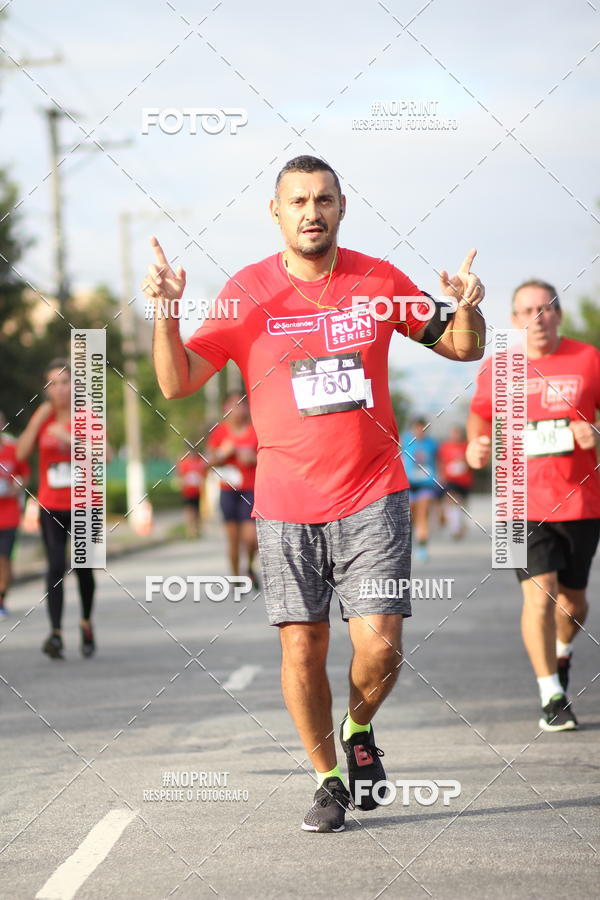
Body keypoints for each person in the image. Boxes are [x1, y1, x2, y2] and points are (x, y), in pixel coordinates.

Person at [144, 154, 486, 832]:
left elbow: (461, 348)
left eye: (323, 199)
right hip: (286, 501)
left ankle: (359, 728)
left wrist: (469, 309)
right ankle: (329, 777)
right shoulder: (246, 293)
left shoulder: (378, 281)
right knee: (302, 647)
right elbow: (177, 383)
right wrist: (165, 315)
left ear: (341, 207)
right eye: (297, 201)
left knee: (381, 643)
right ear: (276, 212)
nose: (311, 211)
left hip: (373, 490)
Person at [466, 279, 600, 732]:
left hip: (581, 499)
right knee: (539, 592)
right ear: (514, 320)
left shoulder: (588, 359)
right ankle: (551, 695)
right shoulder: (499, 366)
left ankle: (562, 652)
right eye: (526, 311)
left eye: (545, 309)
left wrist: (595, 435)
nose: (537, 318)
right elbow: (480, 415)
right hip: (516, 499)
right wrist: (476, 446)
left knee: (574, 602)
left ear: (558, 315)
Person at [16, 360, 96, 660]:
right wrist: (37, 423)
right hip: (51, 504)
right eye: (53, 384)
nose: (59, 389)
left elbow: (108, 454)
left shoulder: (86, 416)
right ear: (46, 389)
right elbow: (21, 454)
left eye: (64, 382)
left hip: (85, 504)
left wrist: (72, 440)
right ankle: (56, 633)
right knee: (54, 567)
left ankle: (86, 623)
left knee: (84, 569)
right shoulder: (43, 417)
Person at [206, 391, 259, 584]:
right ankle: (236, 577)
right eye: (232, 405)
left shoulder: (255, 430)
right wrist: (223, 453)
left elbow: (269, 458)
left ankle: (250, 566)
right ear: (225, 408)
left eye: (241, 405)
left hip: (250, 489)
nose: (237, 409)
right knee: (233, 538)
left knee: (251, 537)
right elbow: (209, 462)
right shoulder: (220, 432)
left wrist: (252, 458)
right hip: (228, 490)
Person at [0, 412, 30, 617]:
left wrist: (16, 487)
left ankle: (1, 598)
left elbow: (25, 476)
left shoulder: (12, 450)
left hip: (9, 514)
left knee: (5, 559)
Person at [401, 418, 439, 561]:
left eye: (422, 429)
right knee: (410, 516)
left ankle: (422, 547)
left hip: (426, 483)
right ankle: (410, 543)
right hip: (409, 483)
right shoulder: (405, 440)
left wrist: (440, 477)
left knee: (423, 513)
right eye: (416, 428)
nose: (419, 431)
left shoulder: (432, 444)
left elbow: (437, 460)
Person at [439, 425, 473, 539]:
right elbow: (441, 462)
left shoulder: (466, 446)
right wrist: (442, 475)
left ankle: (459, 524)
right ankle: (455, 528)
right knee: (452, 499)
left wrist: (464, 464)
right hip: (451, 480)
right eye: (453, 433)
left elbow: (472, 462)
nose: (455, 435)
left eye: (457, 433)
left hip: (464, 480)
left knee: (461, 504)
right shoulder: (445, 447)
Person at [176, 447, 207, 538]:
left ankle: (196, 528)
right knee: (189, 510)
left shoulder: (200, 462)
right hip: (187, 491)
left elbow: (204, 475)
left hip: (198, 491)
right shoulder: (184, 463)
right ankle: (190, 530)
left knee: (197, 511)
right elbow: (180, 476)